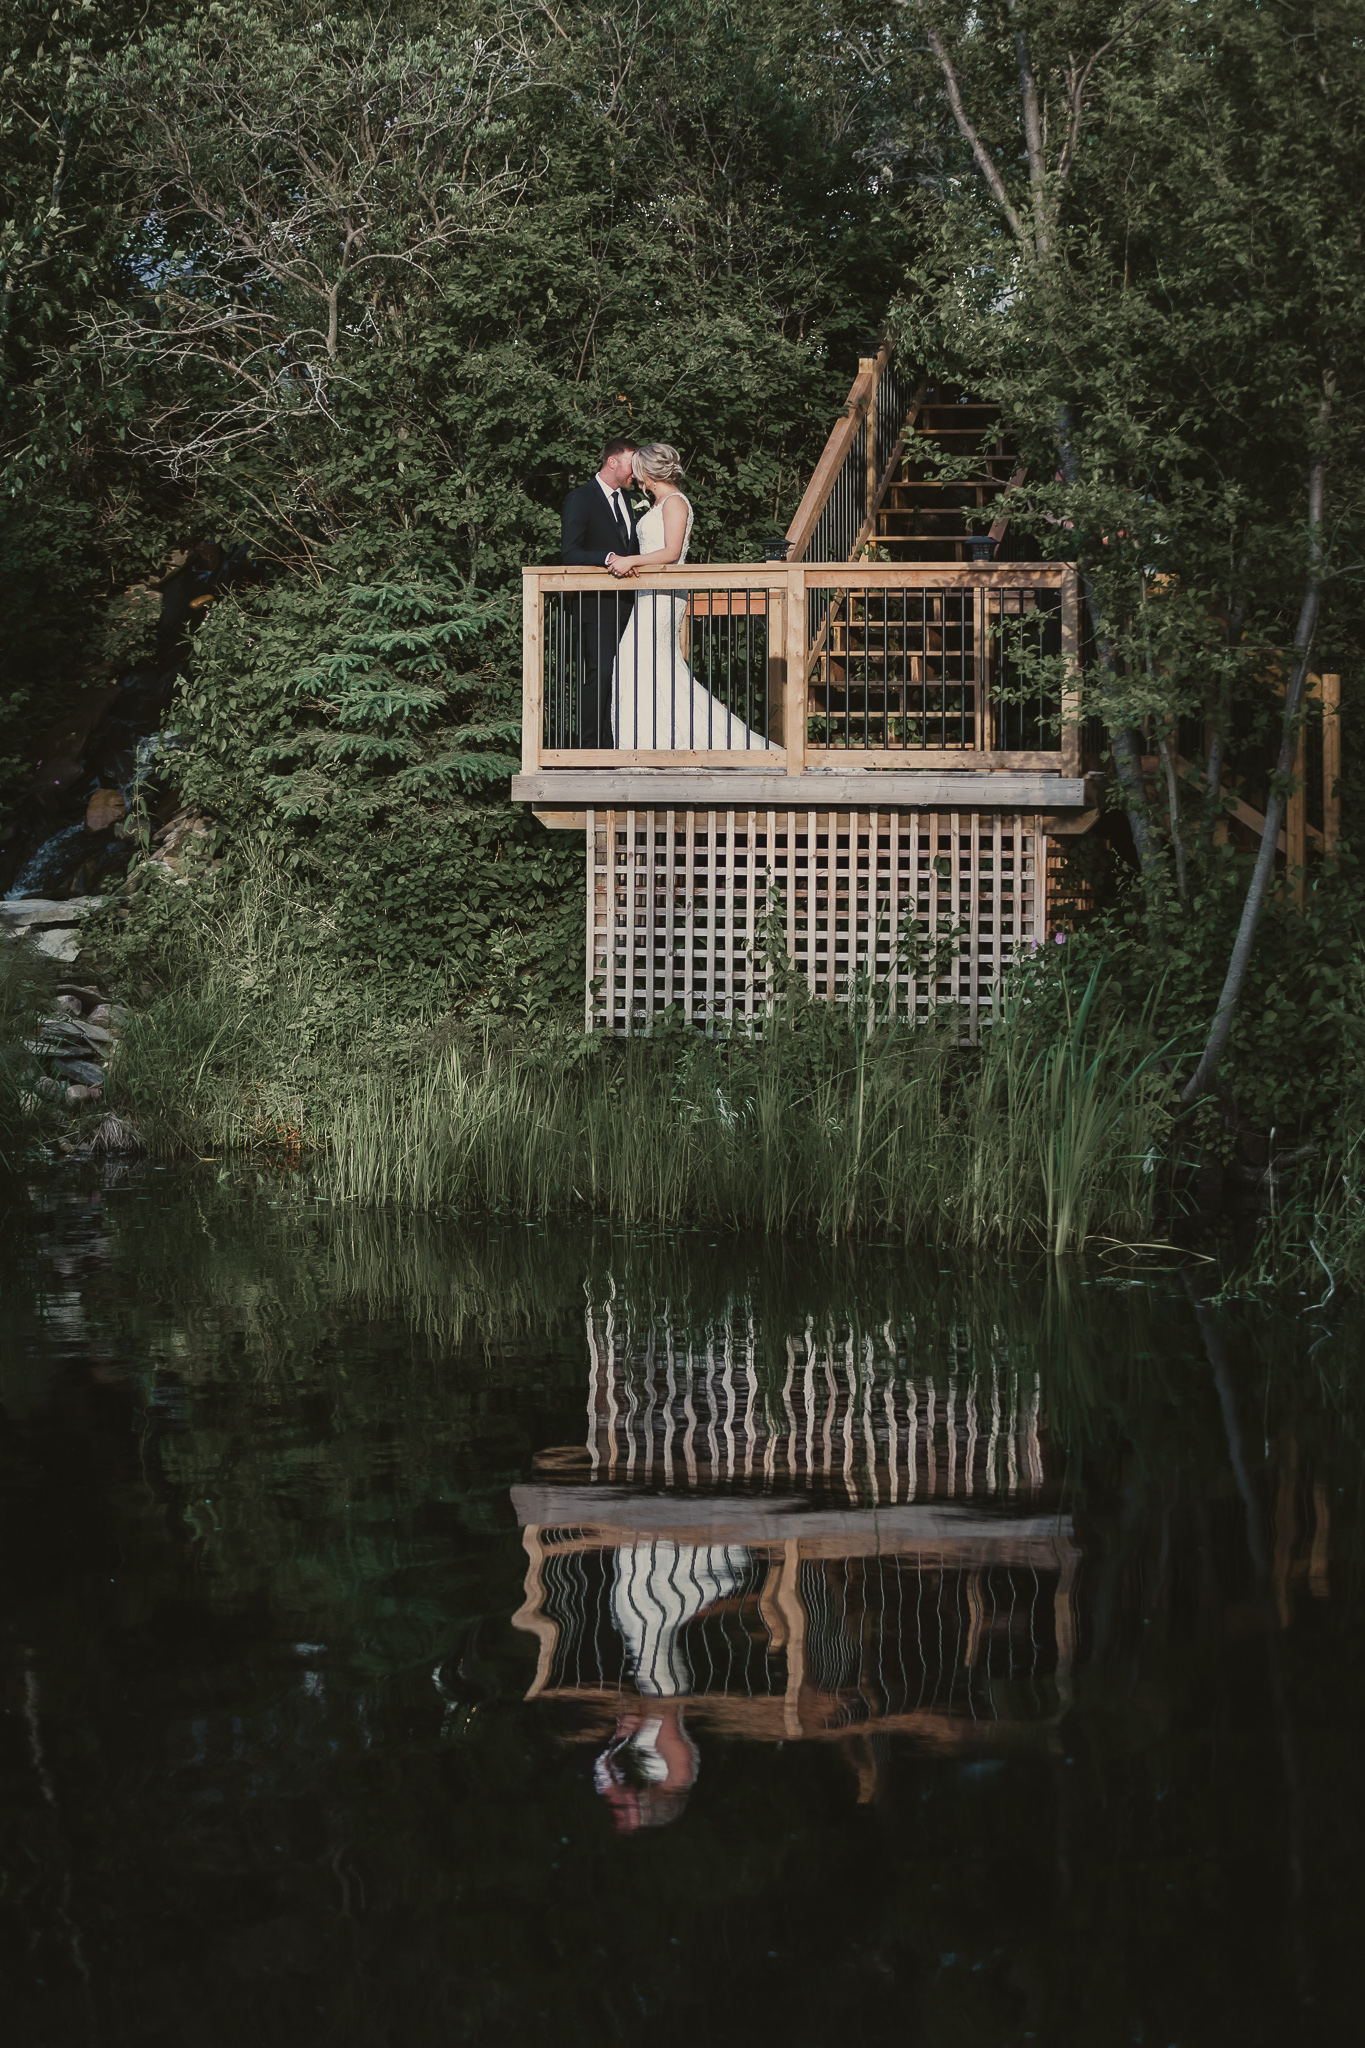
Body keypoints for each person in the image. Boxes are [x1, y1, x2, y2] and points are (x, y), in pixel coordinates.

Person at [609, 442, 775, 753]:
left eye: (637, 468)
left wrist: (631, 560)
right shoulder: (660, 503)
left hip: (664, 596)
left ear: (647, 471)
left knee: (639, 661)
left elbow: (672, 552)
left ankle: (668, 743)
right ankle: (651, 743)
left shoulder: (675, 502)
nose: (633, 474)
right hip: (649, 593)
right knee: (645, 664)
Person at [560, 437, 641, 748]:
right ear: (612, 462)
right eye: (632, 464)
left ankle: (620, 740)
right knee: (602, 672)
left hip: (632, 603)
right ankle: (591, 745)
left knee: (628, 674)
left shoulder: (632, 500)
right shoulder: (581, 498)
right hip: (598, 604)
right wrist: (609, 558)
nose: (636, 471)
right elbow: (570, 553)